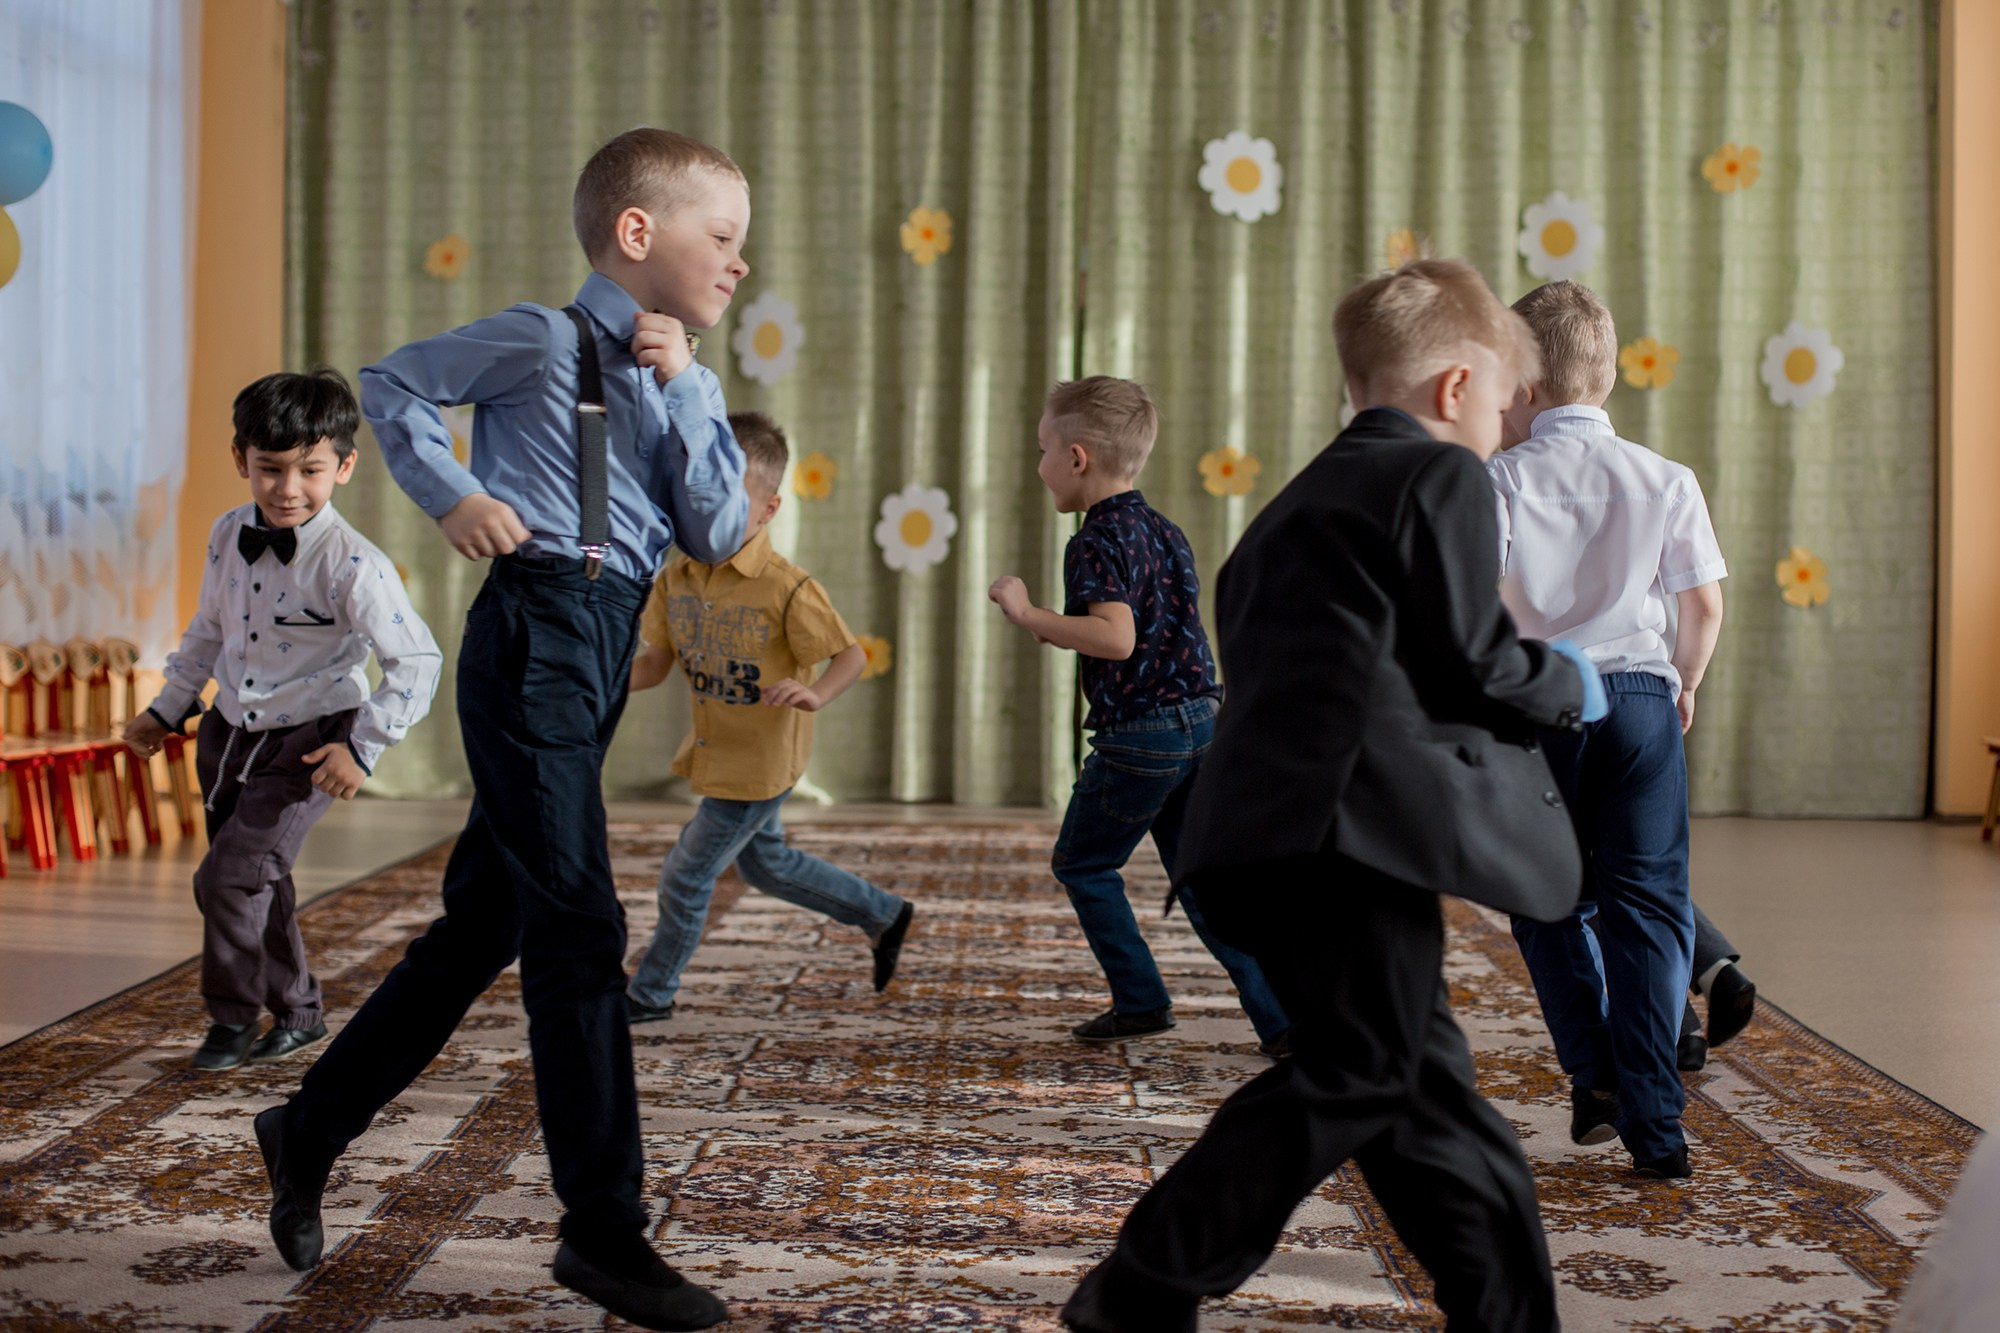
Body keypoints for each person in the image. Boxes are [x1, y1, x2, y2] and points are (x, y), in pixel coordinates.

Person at [253, 128, 751, 1332]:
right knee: (580, 924)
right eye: (722, 238)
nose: (738, 263)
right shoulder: (538, 337)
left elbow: (720, 533)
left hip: (597, 638)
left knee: (487, 921)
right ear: (639, 234)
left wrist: (686, 385)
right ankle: (602, 1230)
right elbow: (390, 383)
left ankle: (306, 1125)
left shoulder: (682, 374)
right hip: (532, 628)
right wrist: (457, 493)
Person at [1061, 259, 1599, 1333]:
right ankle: (1141, 1285)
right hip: (1341, 845)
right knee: (1361, 1074)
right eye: (1501, 402)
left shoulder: (1293, 505)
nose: (1502, 426)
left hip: (1261, 841)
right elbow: (1472, 662)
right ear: (1453, 389)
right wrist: (1569, 680)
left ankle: (1505, 1312)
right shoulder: (1436, 476)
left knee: (1424, 1091)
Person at [126, 369, 440, 1073]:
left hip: (309, 740)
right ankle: (298, 1011)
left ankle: (231, 1019)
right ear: (242, 460)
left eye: (309, 469)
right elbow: (207, 630)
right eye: (269, 469)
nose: (287, 488)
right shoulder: (225, 533)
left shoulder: (354, 562)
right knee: (256, 880)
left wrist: (361, 749)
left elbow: (417, 659)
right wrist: (167, 708)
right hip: (227, 736)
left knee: (228, 880)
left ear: (344, 467)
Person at [1491, 279, 1727, 1179]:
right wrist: (1685, 684)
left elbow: (1478, 607)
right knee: (1652, 908)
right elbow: (1701, 604)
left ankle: (1593, 1073)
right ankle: (1659, 1131)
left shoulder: (1501, 477)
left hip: (1540, 704)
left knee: (1548, 898)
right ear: (1612, 371)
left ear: (1523, 381)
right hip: (1636, 697)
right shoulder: (1665, 478)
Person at [988, 376, 1288, 1055]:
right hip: (1204, 721)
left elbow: (1117, 638)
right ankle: (1282, 1018)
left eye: (1041, 449)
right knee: (1200, 876)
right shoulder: (1165, 529)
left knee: (1083, 864)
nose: (1037, 466)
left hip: (1142, 736)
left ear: (1076, 457)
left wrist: (1028, 612)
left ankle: (1141, 998)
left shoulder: (1092, 541)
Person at [625, 410, 913, 1024]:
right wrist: (593, 682)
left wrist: (816, 695)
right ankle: (883, 914)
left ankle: (651, 993)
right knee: (767, 863)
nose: (703, 513)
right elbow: (653, 665)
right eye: (692, 495)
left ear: (768, 509)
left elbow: (849, 655)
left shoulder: (786, 586)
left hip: (761, 759)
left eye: (725, 500)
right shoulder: (675, 576)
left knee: (685, 872)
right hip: (717, 747)